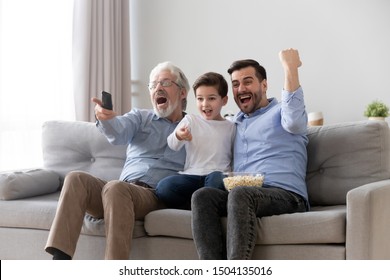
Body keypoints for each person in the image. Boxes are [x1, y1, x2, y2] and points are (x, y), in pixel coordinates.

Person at [45, 61, 190, 260]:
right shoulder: (140, 118)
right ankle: (60, 261)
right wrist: (105, 119)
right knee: (76, 178)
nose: (158, 88)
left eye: (165, 83)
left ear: (182, 93)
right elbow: (117, 131)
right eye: (153, 84)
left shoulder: (194, 128)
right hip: (118, 193)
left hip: (153, 196)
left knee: (116, 188)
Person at [191, 48, 309, 260]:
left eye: (247, 82)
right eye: (235, 84)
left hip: (286, 195)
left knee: (240, 193)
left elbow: (294, 121)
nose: (240, 88)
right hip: (246, 192)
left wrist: (290, 67)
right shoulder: (235, 122)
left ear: (264, 85)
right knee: (203, 196)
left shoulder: (283, 111)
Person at [156, 72, 235, 210]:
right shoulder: (191, 121)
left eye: (211, 98)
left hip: (217, 176)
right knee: (164, 187)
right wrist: (179, 136)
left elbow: (235, 156)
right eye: (200, 99)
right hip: (192, 176)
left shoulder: (231, 126)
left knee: (217, 179)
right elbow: (172, 144)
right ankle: (195, 206)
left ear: (224, 100)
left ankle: (205, 203)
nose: (205, 104)